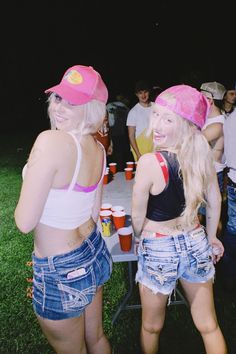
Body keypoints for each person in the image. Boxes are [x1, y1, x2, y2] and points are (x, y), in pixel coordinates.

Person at [14, 65, 112, 354]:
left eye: (73, 102)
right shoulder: (98, 148)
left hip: (61, 269)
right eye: (58, 97)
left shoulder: (50, 141)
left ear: (92, 109)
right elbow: (93, 212)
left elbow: (24, 221)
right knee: (96, 339)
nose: (59, 107)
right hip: (93, 252)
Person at [132, 85, 227, 354]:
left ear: (186, 126)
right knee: (209, 326)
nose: (157, 125)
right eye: (156, 115)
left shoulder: (150, 162)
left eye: (168, 119)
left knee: (151, 326)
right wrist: (212, 238)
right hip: (196, 242)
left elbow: (138, 214)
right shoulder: (202, 156)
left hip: (159, 246)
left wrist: (139, 238)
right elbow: (215, 200)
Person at [199, 81, 226, 235]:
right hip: (204, 173)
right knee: (201, 216)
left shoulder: (218, 124)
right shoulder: (209, 119)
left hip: (213, 175)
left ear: (209, 100)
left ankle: (216, 250)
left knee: (213, 219)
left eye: (201, 97)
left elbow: (194, 141)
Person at [222, 107, 236, 292]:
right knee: (233, 231)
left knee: (233, 228)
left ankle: (228, 279)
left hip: (233, 177)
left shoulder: (229, 118)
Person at [126, 80, 153, 161]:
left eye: (145, 92)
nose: (143, 95)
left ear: (149, 92)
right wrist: (138, 153)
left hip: (155, 148)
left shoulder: (156, 107)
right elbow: (131, 135)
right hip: (140, 149)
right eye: (140, 93)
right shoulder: (133, 112)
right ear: (136, 94)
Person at [106, 93, 133, 170]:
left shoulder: (108, 106)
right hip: (122, 135)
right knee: (122, 158)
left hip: (110, 135)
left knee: (112, 159)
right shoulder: (126, 108)